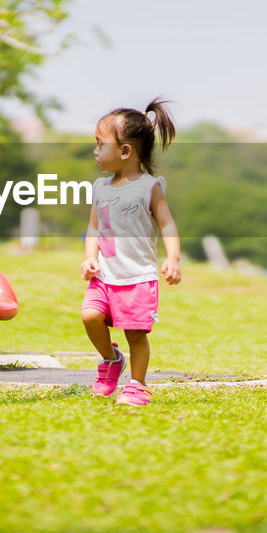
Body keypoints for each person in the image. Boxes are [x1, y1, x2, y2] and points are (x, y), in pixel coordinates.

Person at [81, 98, 181, 406]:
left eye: (101, 145)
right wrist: (90, 257)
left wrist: (173, 258)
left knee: (136, 335)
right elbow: (94, 228)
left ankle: (137, 385)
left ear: (125, 151)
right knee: (90, 315)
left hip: (137, 278)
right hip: (105, 275)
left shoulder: (148, 187)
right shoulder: (101, 188)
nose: (96, 152)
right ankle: (111, 359)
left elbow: (167, 224)